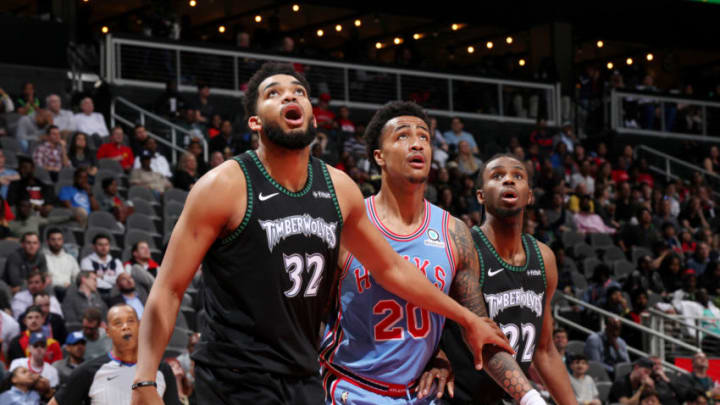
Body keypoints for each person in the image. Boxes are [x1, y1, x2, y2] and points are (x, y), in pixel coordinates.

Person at [132, 62, 508, 405]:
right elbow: (168, 288)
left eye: (298, 92)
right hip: (234, 377)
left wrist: (468, 319)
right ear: (254, 122)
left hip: (303, 377)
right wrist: (144, 380)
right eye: (273, 93)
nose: (290, 96)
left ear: (312, 116)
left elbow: (392, 270)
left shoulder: (338, 188)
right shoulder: (223, 186)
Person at [319, 102, 530, 404]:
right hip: (350, 388)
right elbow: (309, 316)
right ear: (379, 156)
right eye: (403, 136)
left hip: (420, 395)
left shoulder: (454, 232)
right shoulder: (350, 225)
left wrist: (532, 399)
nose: (417, 143)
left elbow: (480, 330)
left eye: (424, 137)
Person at [442, 154, 576, 404]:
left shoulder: (544, 258)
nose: (509, 181)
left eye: (518, 176)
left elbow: (545, 350)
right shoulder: (464, 247)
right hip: (457, 397)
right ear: (481, 195)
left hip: (510, 397)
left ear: (530, 195)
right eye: (497, 176)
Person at [49, 304, 181, 405]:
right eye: (118, 323)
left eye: (130, 321)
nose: (125, 327)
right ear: (108, 331)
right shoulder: (89, 371)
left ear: (140, 326)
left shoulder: (162, 369)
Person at [43, 228, 80, 294]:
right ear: (48, 241)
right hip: (50, 292)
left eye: (59, 239)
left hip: (68, 291)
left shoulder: (70, 258)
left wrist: (72, 287)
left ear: (62, 241)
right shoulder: (43, 258)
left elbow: (77, 277)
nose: (56, 243)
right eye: (53, 240)